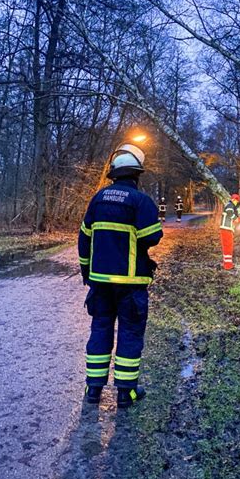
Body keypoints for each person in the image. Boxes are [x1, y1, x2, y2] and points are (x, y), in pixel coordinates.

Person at [78, 143, 163, 408]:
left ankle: (93, 390)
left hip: (100, 283)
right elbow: (153, 236)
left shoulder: (98, 199)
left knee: (100, 329)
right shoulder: (140, 201)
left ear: (113, 174)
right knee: (130, 332)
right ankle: (126, 393)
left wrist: (86, 273)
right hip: (131, 284)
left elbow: (83, 238)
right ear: (136, 175)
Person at [219, 194, 240, 270]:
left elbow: (234, 217)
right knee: (228, 247)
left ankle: (227, 264)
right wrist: (238, 219)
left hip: (228, 229)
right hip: (226, 229)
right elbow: (230, 213)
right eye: (236, 201)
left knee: (228, 247)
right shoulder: (229, 205)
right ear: (234, 200)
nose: (236, 202)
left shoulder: (232, 206)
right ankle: (227, 266)